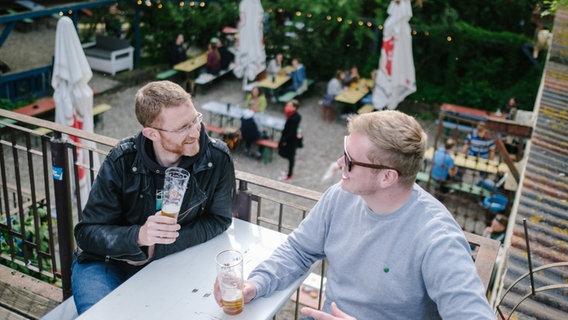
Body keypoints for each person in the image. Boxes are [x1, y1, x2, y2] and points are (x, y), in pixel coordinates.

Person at [215, 110, 495, 319]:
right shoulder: (340, 196)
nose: (339, 164)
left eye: (349, 160)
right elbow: (299, 250)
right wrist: (255, 283)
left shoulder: (437, 238)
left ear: (387, 177)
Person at [72, 80, 236, 314]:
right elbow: (87, 234)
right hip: (105, 262)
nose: (195, 132)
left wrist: (156, 249)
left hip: (168, 261)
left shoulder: (216, 158)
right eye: (182, 128)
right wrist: (138, 236)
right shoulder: (122, 160)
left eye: (195, 120)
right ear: (151, 133)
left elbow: (219, 219)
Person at [277, 99, 302, 181]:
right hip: (290, 140)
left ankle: (289, 175)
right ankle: (289, 173)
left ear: (294, 108)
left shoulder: (294, 118)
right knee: (290, 158)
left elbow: (291, 132)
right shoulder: (294, 116)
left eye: (289, 106)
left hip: (290, 141)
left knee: (291, 157)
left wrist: (284, 141)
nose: (287, 107)